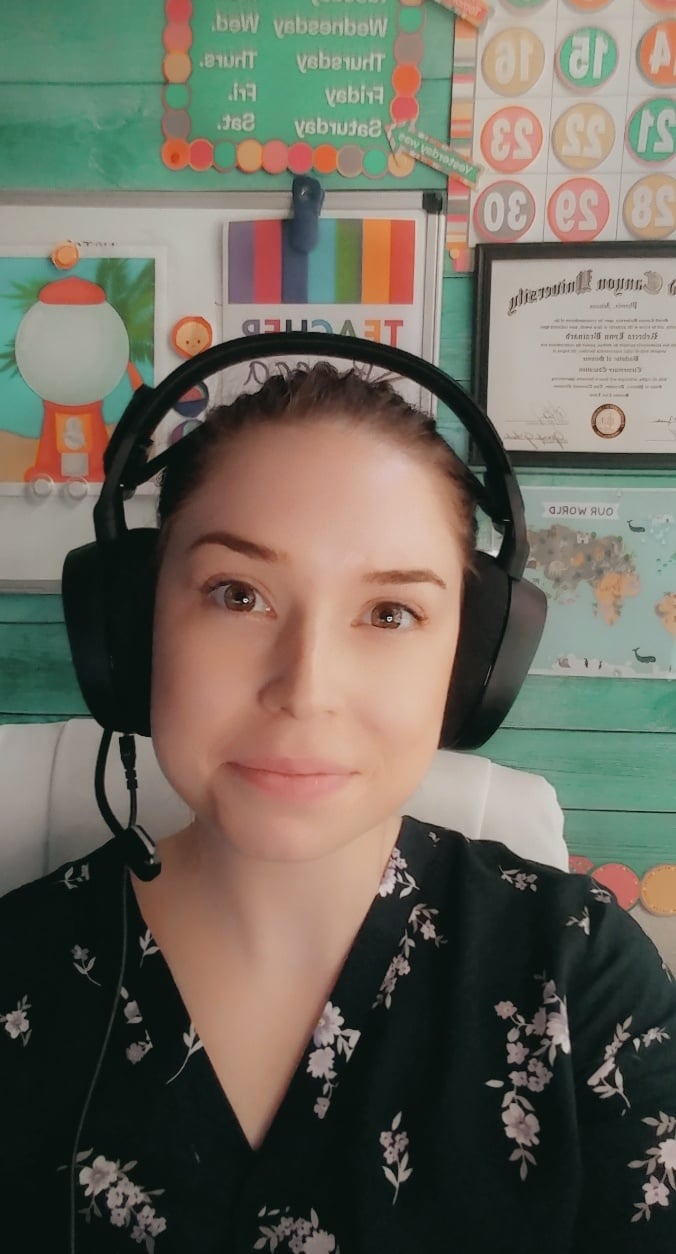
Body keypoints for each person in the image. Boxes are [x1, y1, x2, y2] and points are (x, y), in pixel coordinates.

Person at [1, 363, 675, 1253]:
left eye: (390, 612)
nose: (304, 691)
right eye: (237, 595)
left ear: (471, 669)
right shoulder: (19, 969)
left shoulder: (581, 973)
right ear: (131, 628)